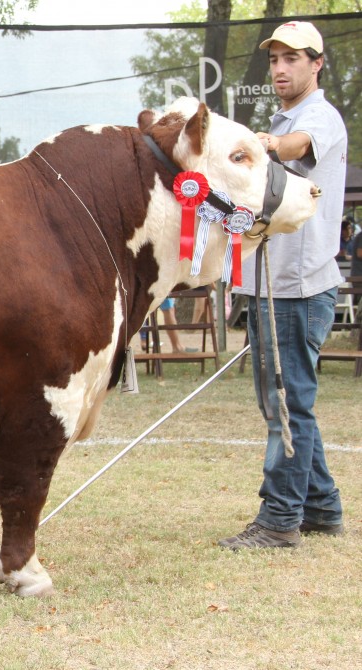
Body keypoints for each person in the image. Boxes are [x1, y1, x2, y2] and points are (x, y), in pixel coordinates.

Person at [222, 21, 345, 550]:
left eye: (292, 58)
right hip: (275, 286)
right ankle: (322, 507)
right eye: (274, 59)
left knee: (286, 405)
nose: (279, 68)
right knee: (285, 403)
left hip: (298, 287)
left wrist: (266, 144)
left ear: (317, 64)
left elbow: (297, 145)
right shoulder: (285, 116)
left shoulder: (316, 117)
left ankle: (279, 521)